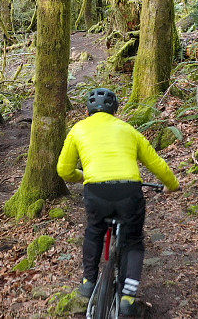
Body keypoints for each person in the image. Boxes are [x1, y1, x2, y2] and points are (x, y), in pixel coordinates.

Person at [56, 88, 179, 316]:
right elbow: (157, 163)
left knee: (94, 231)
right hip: (128, 191)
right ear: (115, 111)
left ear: (86, 111)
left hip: (95, 191)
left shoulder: (78, 129)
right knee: (133, 241)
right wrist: (171, 185)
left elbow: (63, 169)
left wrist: (80, 176)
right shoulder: (128, 130)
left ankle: (88, 281)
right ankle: (128, 296)